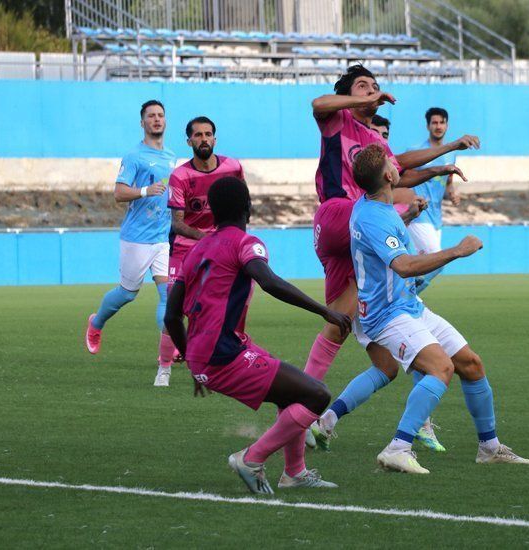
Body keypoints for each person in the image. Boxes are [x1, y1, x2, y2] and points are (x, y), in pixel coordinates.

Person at [304, 65, 477, 436]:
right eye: (362, 86)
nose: (371, 91)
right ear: (349, 95)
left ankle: (306, 414)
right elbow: (318, 102)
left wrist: (443, 158)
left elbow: (399, 169)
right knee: (393, 227)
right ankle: (418, 419)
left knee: (350, 335)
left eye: (375, 86)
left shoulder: (374, 142)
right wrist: (363, 98)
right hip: (337, 214)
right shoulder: (336, 122)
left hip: (344, 242)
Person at [348, 143, 529, 473]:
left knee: (471, 364)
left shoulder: (376, 203)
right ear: (390, 175)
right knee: (441, 368)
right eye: (393, 162)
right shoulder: (374, 216)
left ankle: (489, 448)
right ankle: (398, 447)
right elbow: (403, 265)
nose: (397, 162)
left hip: (408, 305)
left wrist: (436, 174)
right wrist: (457, 251)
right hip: (387, 314)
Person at [165, 177, 351, 494]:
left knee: (293, 392)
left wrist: (194, 365)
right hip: (223, 354)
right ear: (248, 208)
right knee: (317, 395)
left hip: (203, 353)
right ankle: (251, 458)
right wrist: (324, 310)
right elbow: (269, 281)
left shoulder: (196, 251)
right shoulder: (245, 243)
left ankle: (294, 473)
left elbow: (171, 316)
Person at [85, 99, 177, 387]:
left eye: (161, 115)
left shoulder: (174, 157)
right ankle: (96, 323)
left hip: (163, 238)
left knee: (168, 298)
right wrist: (147, 190)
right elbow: (118, 193)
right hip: (136, 238)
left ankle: (166, 353)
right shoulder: (134, 156)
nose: (157, 120)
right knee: (127, 294)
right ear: (142, 122)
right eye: (151, 116)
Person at [161, 116, 245, 386]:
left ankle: (231, 356)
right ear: (189, 142)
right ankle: (164, 368)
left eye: (208, 134)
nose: (204, 139)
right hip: (186, 249)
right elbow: (177, 223)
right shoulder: (180, 175)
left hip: (222, 249)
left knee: (232, 302)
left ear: (215, 139)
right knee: (173, 306)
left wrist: (237, 241)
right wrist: (206, 238)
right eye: (198, 135)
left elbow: (241, 207)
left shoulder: (233, 167)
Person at [407, 107, 462, 294]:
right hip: (419, 215)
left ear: (447, 125)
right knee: (437, 261)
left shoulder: (451, 154)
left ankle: (403, 296)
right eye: (434, 123)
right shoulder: (416, 152)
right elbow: (402, 180)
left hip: (436, 219)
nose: (438, 126)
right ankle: (406, 297)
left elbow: (447, 184)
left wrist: (451, 194)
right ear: (428, 126)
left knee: (424, 263)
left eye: (442, 122)